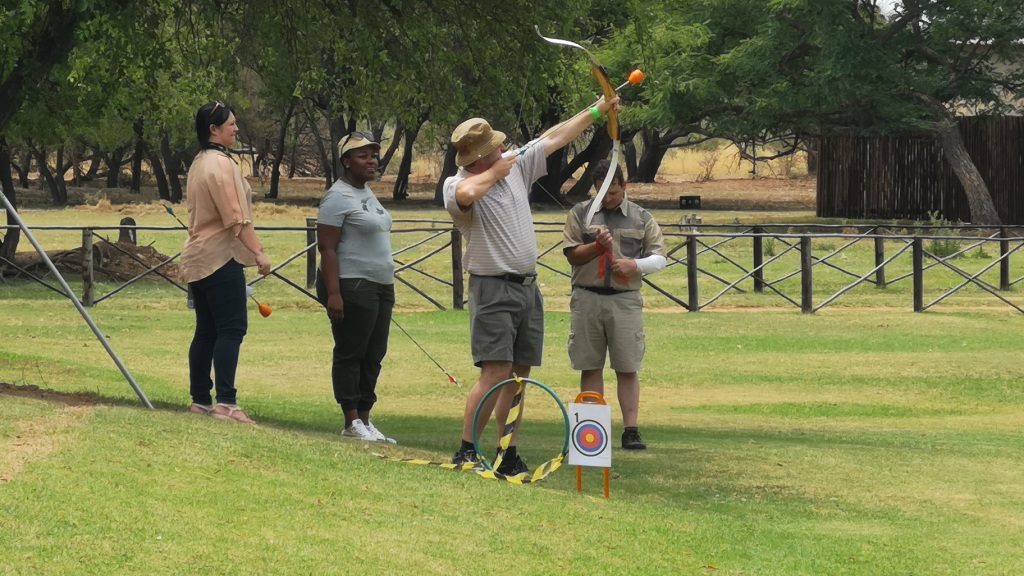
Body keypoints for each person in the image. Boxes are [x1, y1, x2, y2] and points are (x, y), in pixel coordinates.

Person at [444, 96, 619, 474]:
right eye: (494, 149)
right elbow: (467, 196)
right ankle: (467, 449)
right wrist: (497, 171)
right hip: (492, 288)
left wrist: (598, 109)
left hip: (526, 286)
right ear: (476, 160)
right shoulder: (457, 183)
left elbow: (555, 137)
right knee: (495, 370)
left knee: (519, 374)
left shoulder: (515, 167)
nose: (504, 150)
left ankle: (508, 451)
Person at [562, 159, 666, 449]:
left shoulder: (641, 217)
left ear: (624, 187)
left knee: (627, 366)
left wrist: (635, 264)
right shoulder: (580, 214)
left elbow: (659, 257)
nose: (607, 199)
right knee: (590, 364)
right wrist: (596, 246)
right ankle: (592, 433)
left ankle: (630, 430)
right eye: (601, 193)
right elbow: (571, 254)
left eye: (613, 193)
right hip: (587, 298)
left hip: (625, 300)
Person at [180, 100, 272, 424]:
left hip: (198, 257)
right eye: (230, 124)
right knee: (231, 328)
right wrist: (259, 253)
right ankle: (227, 403)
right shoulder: (222, 165)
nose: (235, 128)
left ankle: (200, 401)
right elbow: (237, 219)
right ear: (213, 130)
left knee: (206, 329)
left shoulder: (199, 162)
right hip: (220, 257)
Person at [315, 131, 396, 444]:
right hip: (352, 284)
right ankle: (350, 420)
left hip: (380, 285)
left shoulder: (366, 194)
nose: (371, 161)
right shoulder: (338, 196)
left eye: (373, 155)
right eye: (362, 155)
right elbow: (327, 248)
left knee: (374, 354)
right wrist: (334, 293)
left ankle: (365, 416)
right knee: (352, 352)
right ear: (346, 161)